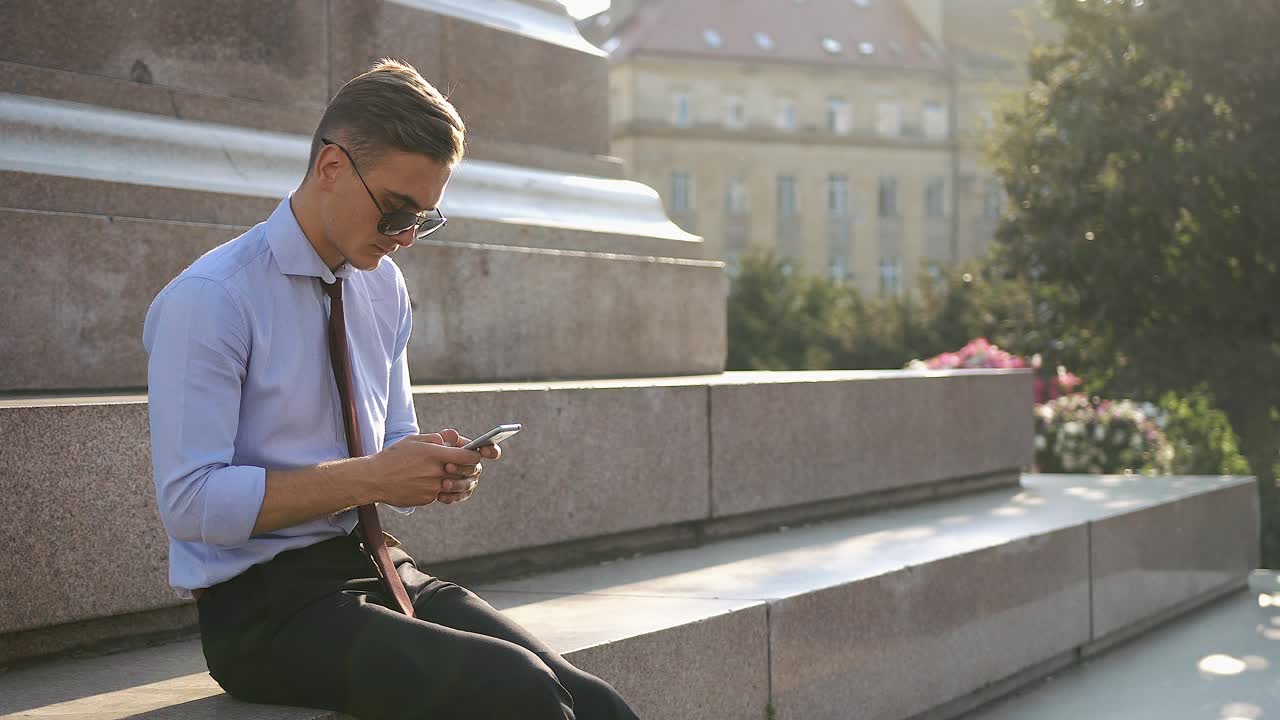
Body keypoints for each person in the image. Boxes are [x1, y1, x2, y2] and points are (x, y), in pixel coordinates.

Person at [142, 58, 640, 720]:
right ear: (331, 169)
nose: (406, 237)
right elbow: (191, 505)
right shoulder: (211, 300)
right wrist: (374, 476)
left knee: (594, 702)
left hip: (377, 567)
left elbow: (391, 436)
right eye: (396, 212)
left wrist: (433, 466)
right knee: (516, 689)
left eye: (424, 219)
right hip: (261, 609)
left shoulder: (381, 285)